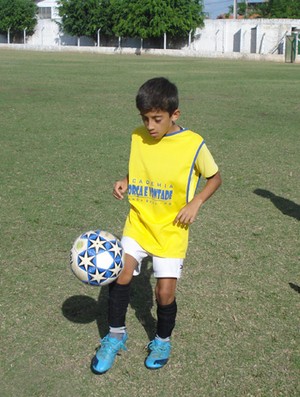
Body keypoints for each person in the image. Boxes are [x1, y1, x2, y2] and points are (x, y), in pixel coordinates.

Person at [91, 77, 222, 374]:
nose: (150, 126)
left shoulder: (193, 144)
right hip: (138, 223)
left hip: (172, 229)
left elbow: (215, 178)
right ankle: (115, 336)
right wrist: (126, 181)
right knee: (120, 275)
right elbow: (138, 167)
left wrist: (196, 202)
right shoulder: (137, 137)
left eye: (157, 119)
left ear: (175, 114)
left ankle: (162, 340)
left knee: (164, 294)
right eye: (145, 118)